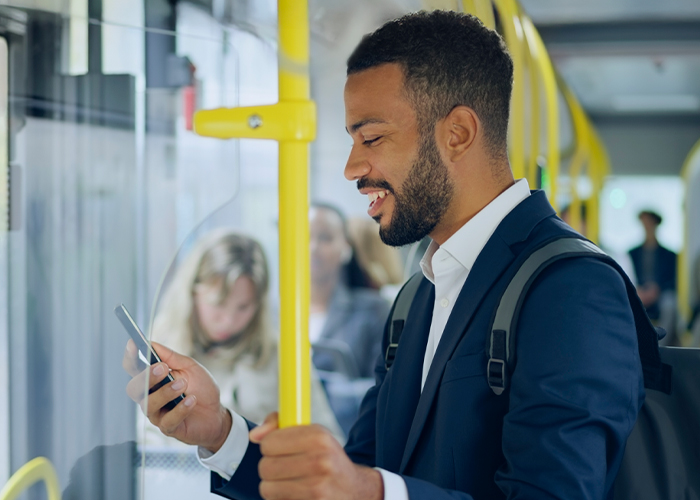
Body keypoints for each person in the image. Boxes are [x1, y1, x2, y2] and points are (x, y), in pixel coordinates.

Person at [123, 11, 643, 500]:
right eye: (352, 139)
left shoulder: (574, 288)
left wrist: (371, 491)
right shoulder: (420, 291)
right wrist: (218, 430)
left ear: (457, 133)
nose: (352, 167)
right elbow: (350, 476)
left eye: (371, 137)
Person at [143, 229, 342, 444]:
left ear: (259, 305)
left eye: (243, 307)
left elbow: (329, 441)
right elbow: (143, 443)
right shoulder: (159, 349)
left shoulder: (281, 355)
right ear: (192, 292)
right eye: (218, 303)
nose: (228, 320)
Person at [309, 203, 391, 380]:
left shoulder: (373, 311)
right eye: (305, 237)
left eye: (325, 238)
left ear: (346, 247)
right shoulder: (273, 313)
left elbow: (380, 388)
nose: (313, 247)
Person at [629, 210, 678, 342]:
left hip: (661, 294)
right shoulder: (632, 254)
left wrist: (657, 290)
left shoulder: (669, 255)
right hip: (638, 293)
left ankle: (660, 345)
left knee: (670, 304)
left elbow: (673, 280)